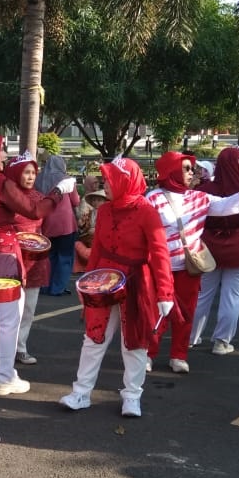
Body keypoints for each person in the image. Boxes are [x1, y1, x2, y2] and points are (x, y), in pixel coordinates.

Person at [60, 157, 173, 416]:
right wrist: (86, 285)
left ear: (124, 181)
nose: (105, 186)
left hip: (136, 282)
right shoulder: (106, 210)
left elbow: (160, 252)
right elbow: (98, 249)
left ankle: (132, 396)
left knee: (134, 342)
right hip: (103, 280)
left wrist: (165, 293)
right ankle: (81, 392)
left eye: (110, 181)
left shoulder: (146, 211)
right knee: (93, 337)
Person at [0, 134, 73, 396]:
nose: (4, 155)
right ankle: (4, 376)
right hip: (3, 257)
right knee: (9, 322)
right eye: (0, 150)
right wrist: (59, 191)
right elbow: (34, 210)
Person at [145, 151, 239, 373]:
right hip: (159, 268)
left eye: (192, 168)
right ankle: (148, 354)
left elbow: (224, 206)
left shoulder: (198, 197)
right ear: (171, 170)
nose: (192, 173)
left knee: (187, 313)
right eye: (186, 168)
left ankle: (179, 355)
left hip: (189, 267)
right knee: (156, 313)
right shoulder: (153, 198)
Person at [190, 146, 239, 355]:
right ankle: (222, 342)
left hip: (208, 248)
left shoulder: (204, 190)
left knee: (202, 296)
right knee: (232, 298)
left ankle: (189, 337)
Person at [4, 152, 49, 366]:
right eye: (26, 172)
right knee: (7, 310)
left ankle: (21, 347)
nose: (30, 177)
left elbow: (45, 227)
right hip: (11, 258)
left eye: (33, 172)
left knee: (29, 308)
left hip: (35, 260)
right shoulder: (7, 196)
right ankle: (3, 350)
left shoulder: (40, 198)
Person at [36, 155, 80, 296]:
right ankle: (58, 287)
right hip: (65, 224)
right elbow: (76, 201)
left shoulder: (39, 179)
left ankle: (45, 285)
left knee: (49, 256)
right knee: (64, 257)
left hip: (46, 223)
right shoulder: (66, 179)